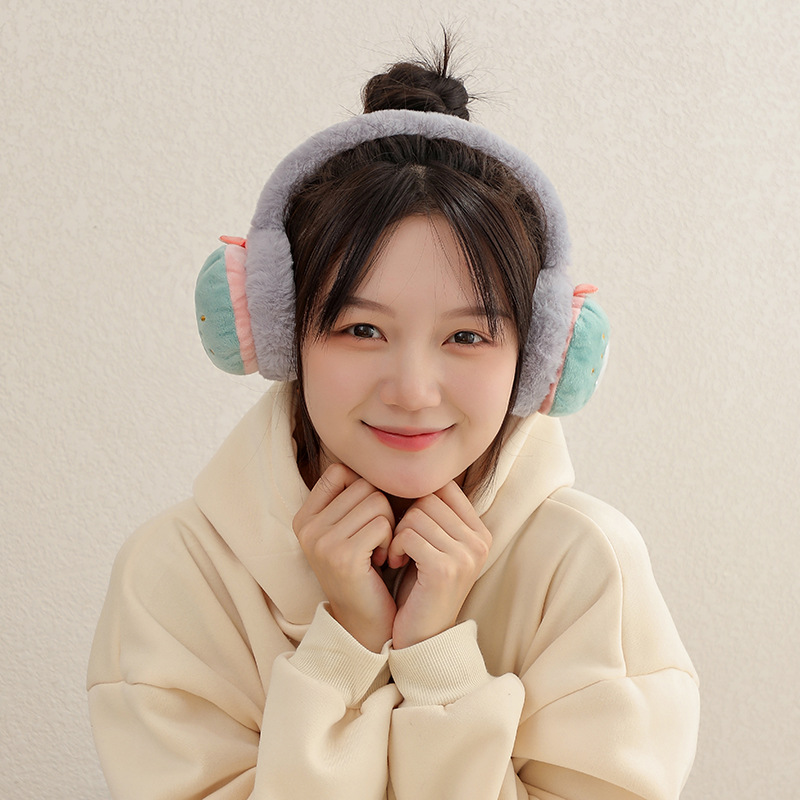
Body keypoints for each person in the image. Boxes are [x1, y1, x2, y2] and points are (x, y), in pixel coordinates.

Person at [88, 41, 699, 800]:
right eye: (362, 329)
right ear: (280, 333)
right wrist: (342, 647)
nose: (413, 391)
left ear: (541, 356)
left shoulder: (585, 568)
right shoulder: (175, 575)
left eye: (467, 337)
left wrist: (437, 660)